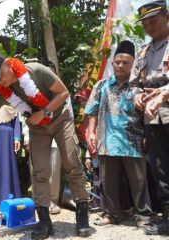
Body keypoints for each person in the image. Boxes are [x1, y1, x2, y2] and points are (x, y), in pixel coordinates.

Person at [0, 51, 91, 239]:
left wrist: (43, 112)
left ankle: (82, 214)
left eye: (0, 76)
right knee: (39, 170)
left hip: (61, 118)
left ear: (7, 64)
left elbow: (63, 93)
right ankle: (44, 221)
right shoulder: (0, 93)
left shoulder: (36, 71)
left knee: (72, 163)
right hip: (37, 127)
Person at [85, 40, 151, 226]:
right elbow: (91, 111)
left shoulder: (138, 86)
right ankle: (112, 215)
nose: (120, 65)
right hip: (107, 141)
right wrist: (91, 133)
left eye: (125, 62)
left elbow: (147, 114)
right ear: (112, 63)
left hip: (134, 142)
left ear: (133, 64)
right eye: (117, 62)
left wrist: (147, 136)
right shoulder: (102, 85)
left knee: (139, 182)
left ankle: (143, 216)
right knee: (109, 182)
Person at [129, 1, 169, 236]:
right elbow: (134, 84)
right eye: (144, 23)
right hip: (152, 117)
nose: (148, 26)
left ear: (166, 16)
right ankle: (167, 217)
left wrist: (164, 93)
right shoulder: (143, 51)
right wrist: (136, 97)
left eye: (153, 21)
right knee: (160, 169)